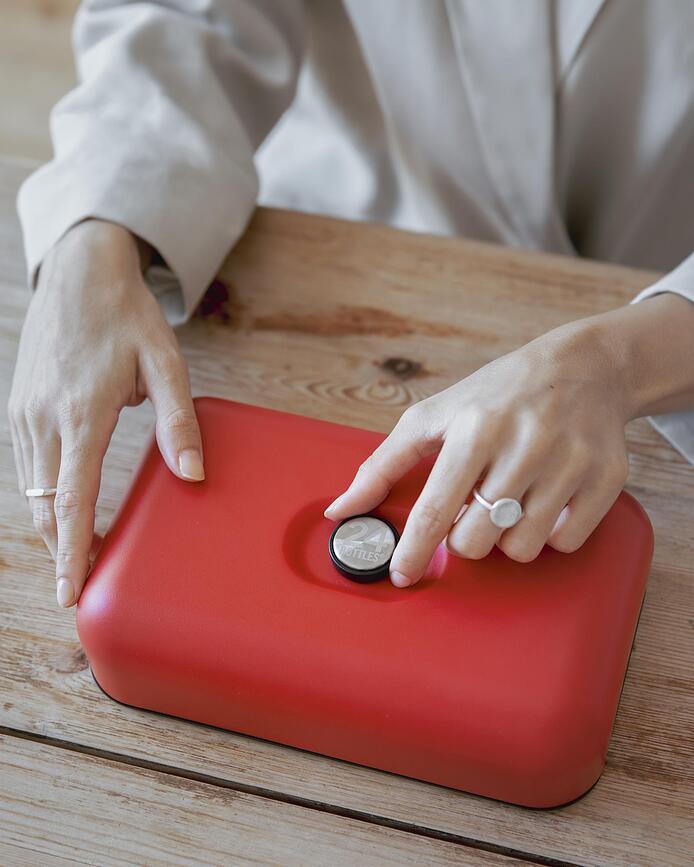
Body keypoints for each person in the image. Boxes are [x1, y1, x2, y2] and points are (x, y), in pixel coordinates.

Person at [8, 0, 694, 608]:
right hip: (321, 276)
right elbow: (184, 14)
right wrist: (89, 239)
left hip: (662, 313)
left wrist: (619, 362)